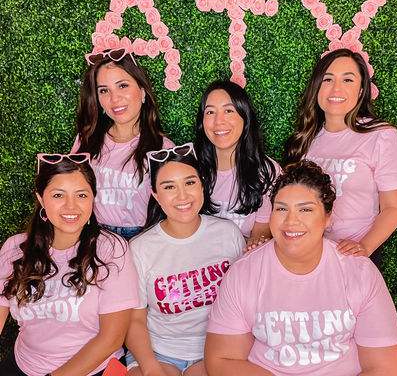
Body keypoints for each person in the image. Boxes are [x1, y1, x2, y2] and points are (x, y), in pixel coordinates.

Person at [205, 160, 397, 376]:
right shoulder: (244, 273)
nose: (291, 221)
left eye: (305, 210)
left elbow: (385, 366)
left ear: (328, 217)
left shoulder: (359, 272)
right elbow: (222, 360)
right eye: (281, 209)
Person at [0, 153, 139, 376]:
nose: (71, 206)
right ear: (41, 199)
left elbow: (111, 339)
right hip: (23, 366)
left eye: (81, 195)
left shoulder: (111, 249)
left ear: (93, 197)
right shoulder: (14, 249)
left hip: (93, 370)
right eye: (58, 195)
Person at [125, 144, 245, 376]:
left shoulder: (227, 234)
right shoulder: (140, 248)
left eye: (189, 182)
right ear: (155, 195)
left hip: (216, 348)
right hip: (157, 350)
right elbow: (134, 320)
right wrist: (151, 369)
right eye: (169, 187)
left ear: (202, 185)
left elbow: (244, 305)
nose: (182, 196)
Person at [284, 49, 397, 266]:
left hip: (354, 255)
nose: (336, 88)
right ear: (317, 87)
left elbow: (393, 208)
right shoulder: (305, 138)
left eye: (348, 79)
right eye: (328, 79)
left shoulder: (381, 136)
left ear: (361, 90)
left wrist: (365, 247)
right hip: (309, 256)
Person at [72, 50, 175, 240]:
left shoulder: (163, 148)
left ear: (142, 92)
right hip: (94, 235)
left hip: (143, 237)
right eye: (104, 90)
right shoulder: (86, 140)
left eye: (123, 86)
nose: (114, 98)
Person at [195, 80, 279, 249]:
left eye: (228, 111)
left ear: (245, 117)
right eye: (210, 112)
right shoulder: (191, 166)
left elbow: (261, 233)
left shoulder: (267, 170)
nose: (219, 121)